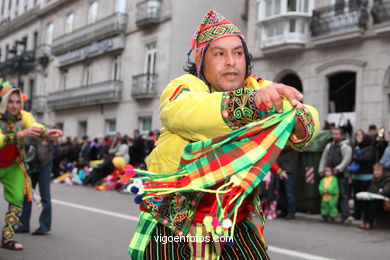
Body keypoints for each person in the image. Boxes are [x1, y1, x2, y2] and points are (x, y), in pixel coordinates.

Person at [127, 10, 320, 259]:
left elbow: (309, 117)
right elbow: (190, 114)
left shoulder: (257, 86)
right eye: (219, 53)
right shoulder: (183, 87)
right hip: (174, 224)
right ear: (201, 62)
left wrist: (289, 111)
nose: (231, 61)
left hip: (231, 223)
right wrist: (253, 104)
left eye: (238, 53)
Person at [0, 81, 62, 250]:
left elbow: (34, 125)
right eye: (10, 101)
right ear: (3, 101)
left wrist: (47, 133)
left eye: (17, 102)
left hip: (13, 165)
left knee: (17, 199)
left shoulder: (24, 116)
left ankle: (7, 239)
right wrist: (19, 134)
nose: (14, 105)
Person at [16, 137, 54, 235]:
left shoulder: (41, 129)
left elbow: (53, 137)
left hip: (44, 164)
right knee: (26, 195)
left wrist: (50, 140)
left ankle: (44, 226)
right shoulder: (24, 128)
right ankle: (23, 225)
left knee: (45, 195)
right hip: (30, 165)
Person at [319, 128, 352, 222]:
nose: (334, 136)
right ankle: (329, 213)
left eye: (337, 134)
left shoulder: (345, 146)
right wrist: (321, 169)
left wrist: (338, 168)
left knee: (343, 195)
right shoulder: (329, 145)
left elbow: (347, 159)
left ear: (341, 135)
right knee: (329, 195)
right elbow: (324, 158)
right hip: (330, 175)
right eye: (333, 134)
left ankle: (344, 214)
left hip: (342, 175)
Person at [348, 130, 375, 220]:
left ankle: (365, 214)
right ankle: (357, 214)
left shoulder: (369, 148)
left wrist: (356, 158)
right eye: (357, 135)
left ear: (365, 136)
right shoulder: (356, 147)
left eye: (360, 135)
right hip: (356, 176)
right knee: (356, 196)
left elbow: (367, 158)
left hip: (365, 177)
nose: (358, 136)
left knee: (363, 197)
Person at [359, 163, 390, 229]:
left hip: (385, 202)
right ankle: (365, 222)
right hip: (376, 198)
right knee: (366, 201)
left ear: (383, 171)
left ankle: (369, 223)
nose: (375, 172)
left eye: (378, 171)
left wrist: (374, 195)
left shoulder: (388, 180)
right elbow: (370, 190)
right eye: (374, 170)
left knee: (373, 203)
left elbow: (385, 192)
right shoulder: (374, 180)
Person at [277, 146, 299, 219]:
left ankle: (291, 212)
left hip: (289, 170)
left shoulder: (293, 142)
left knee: (289, 192)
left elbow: (283, 147)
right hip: (282, 169)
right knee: (282, 192)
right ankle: (284, 211)